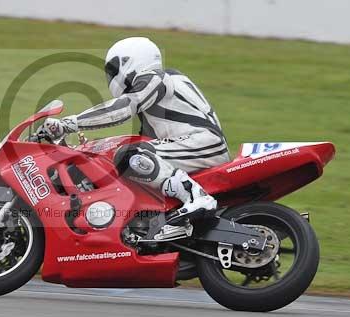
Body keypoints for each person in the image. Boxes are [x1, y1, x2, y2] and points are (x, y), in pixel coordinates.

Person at [37, 37, 230, 241]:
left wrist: (69, 124)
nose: (111, 76)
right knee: (127, 156)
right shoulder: (156, 98)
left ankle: (196, 197)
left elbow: (122, 109)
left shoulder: (157, 78)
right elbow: (142, 138)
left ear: (130, 61)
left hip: (203, 144)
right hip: (189, 144)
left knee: (130, 154)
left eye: (113, 70)